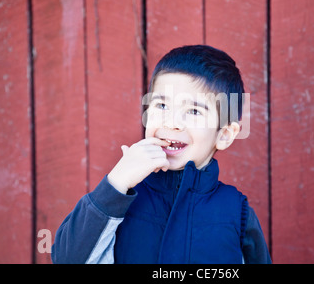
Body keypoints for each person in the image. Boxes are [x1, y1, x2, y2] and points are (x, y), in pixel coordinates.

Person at [52, 45, 271, 264]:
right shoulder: (119, 199)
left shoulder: (236, 212)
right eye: (162, 105)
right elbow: (66, 259)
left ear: (224, 134)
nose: (172, 122)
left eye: (194, 111)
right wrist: (116, 182)